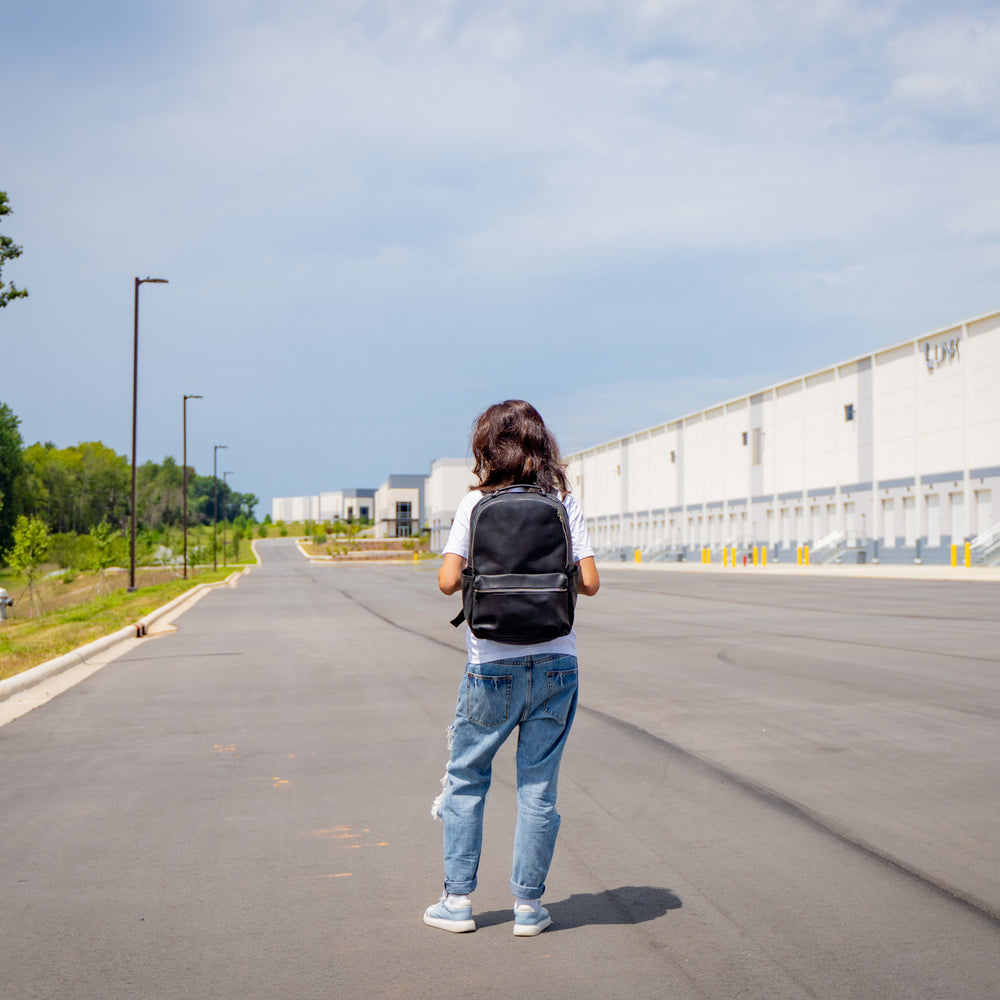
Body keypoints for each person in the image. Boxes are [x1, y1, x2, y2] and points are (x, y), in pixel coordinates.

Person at [424, 399, 600, 937]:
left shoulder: (475, 502)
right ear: (539, 444)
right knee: (538, 787)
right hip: (556, 661)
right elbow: (589, 583)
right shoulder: (562, 501)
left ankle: (457, 903)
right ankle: (528, 908)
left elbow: (447, 582)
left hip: (490, 666)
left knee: (466, 779)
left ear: (486, 445)